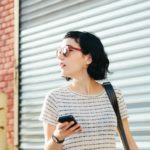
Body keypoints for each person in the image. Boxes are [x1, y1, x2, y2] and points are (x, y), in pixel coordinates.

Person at [39, 31, 138, 150]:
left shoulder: (113, 95)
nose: (60, 56)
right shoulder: (54, 98)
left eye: (66, 50)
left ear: (88, 58)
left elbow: (128, 140)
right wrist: (58, 137)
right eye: (58, 52)